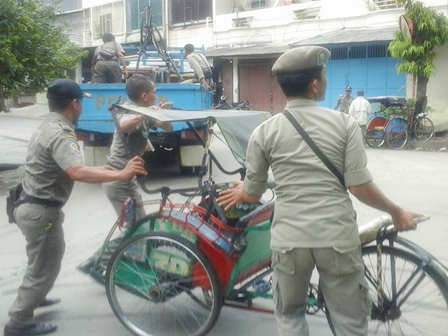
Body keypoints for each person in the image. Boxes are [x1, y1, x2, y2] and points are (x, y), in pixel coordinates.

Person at [217, 46, 422, 336]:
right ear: (315, 85)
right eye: (324, 76)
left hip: (289, 241)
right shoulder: (345, 124)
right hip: (336, 237)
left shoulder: (264, 132)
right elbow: (359, 187)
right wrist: (396, 211)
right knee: (349, 322)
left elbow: (252, 194)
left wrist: (243, 191)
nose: (325, 81)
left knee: (290, 317)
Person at [4, 79, 146, 336]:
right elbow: (75, 170)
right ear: (74, 103)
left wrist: (107, 169)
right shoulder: (61, 133)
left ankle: (35, 297)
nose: (81, 107)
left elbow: (68, 168)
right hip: (40, 210)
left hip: (29, 204)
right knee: (46, 267)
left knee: (39, 262)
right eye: (81, 102)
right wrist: (121, 175)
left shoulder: (49, 125)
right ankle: (19, 322)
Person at [77, 75, 172, 274]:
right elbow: (123, 125)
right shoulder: (126, 110)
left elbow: (168, 127)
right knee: (135, 229)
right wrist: (145, 114)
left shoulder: (145, 110)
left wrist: (163, 114)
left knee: (141, 227)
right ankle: (95, 262)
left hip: (128, 179)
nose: (155, 97)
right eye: (153, 93)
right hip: (116, 180)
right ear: (145, 96)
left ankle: (128, 261)